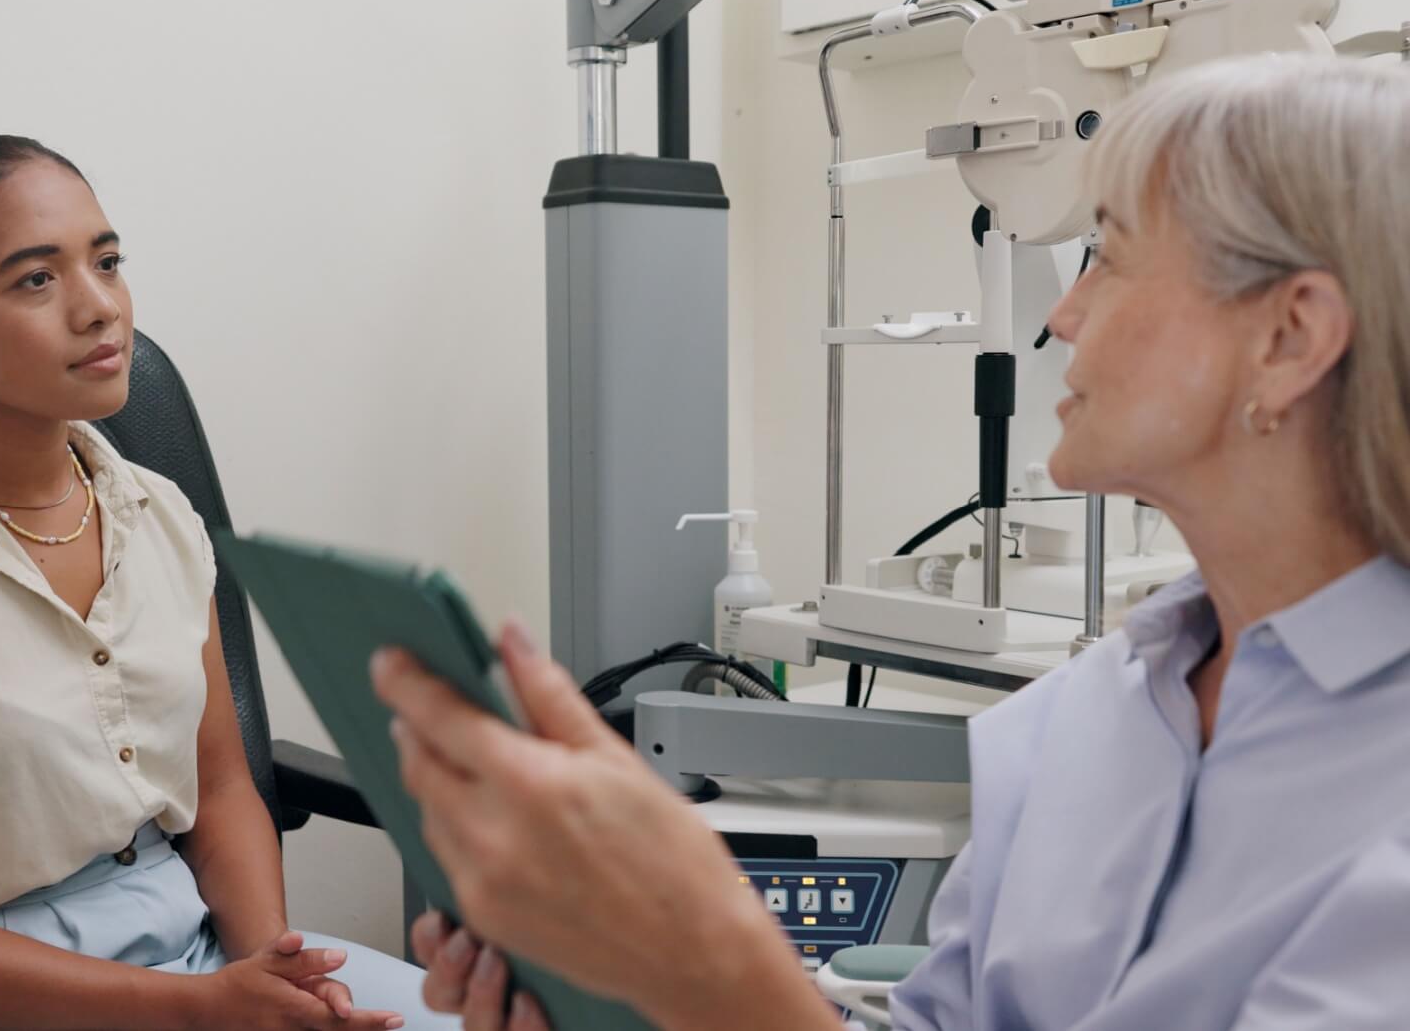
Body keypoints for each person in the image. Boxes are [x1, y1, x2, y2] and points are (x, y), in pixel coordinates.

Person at [374, 53, 1410, 1030]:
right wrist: (625, 987)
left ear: (1288, 338)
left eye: (1108, 253)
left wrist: (716, 964)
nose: (1066, 312)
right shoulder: (1077, 724)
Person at [0, 134, 456, 1031]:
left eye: (106, 262)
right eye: (37, 279)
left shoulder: (158, 513)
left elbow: (224, 788)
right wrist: (199, 1012)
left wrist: (273, 969)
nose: (100, 308)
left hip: (190, 952)